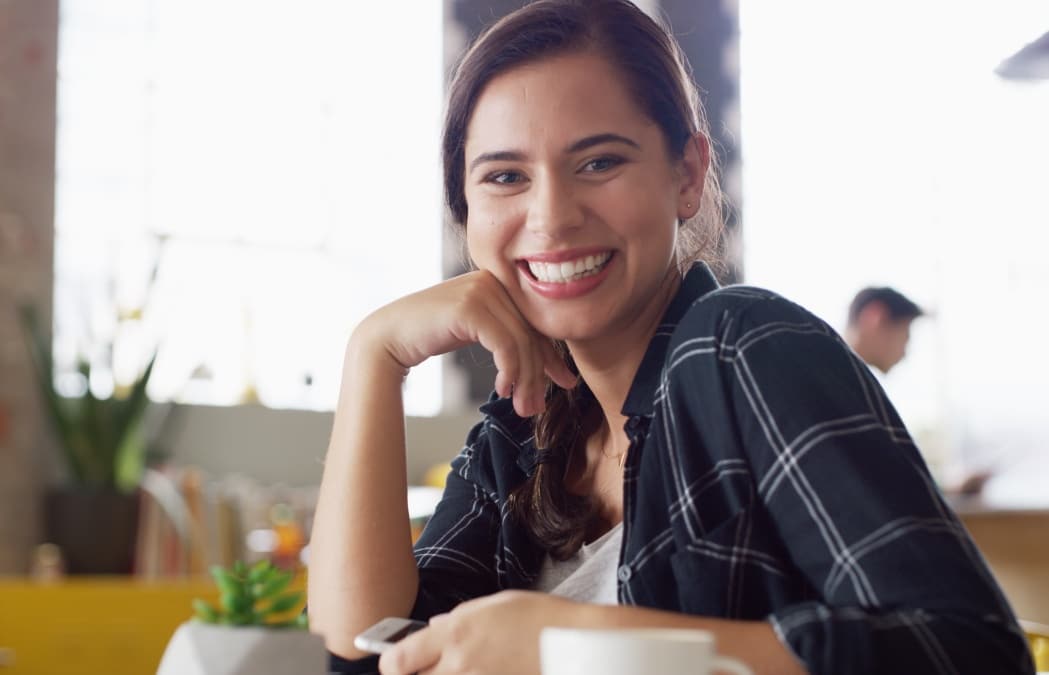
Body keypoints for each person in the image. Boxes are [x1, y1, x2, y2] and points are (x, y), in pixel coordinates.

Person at [307, 2, 1034, 674]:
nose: (551, 217)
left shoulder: (744, 347)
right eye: (504, 176)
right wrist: (374, 354)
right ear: (465, 212)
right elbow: (369, 649)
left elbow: (968, 651)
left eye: (599, 162)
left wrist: (576, 647)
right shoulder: (519, 439)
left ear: (687, 174)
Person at [844, 287, 924, 374]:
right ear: (876, 318)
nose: (904, 355)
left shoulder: (843, 374)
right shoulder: (837, 379)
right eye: (905, 338)